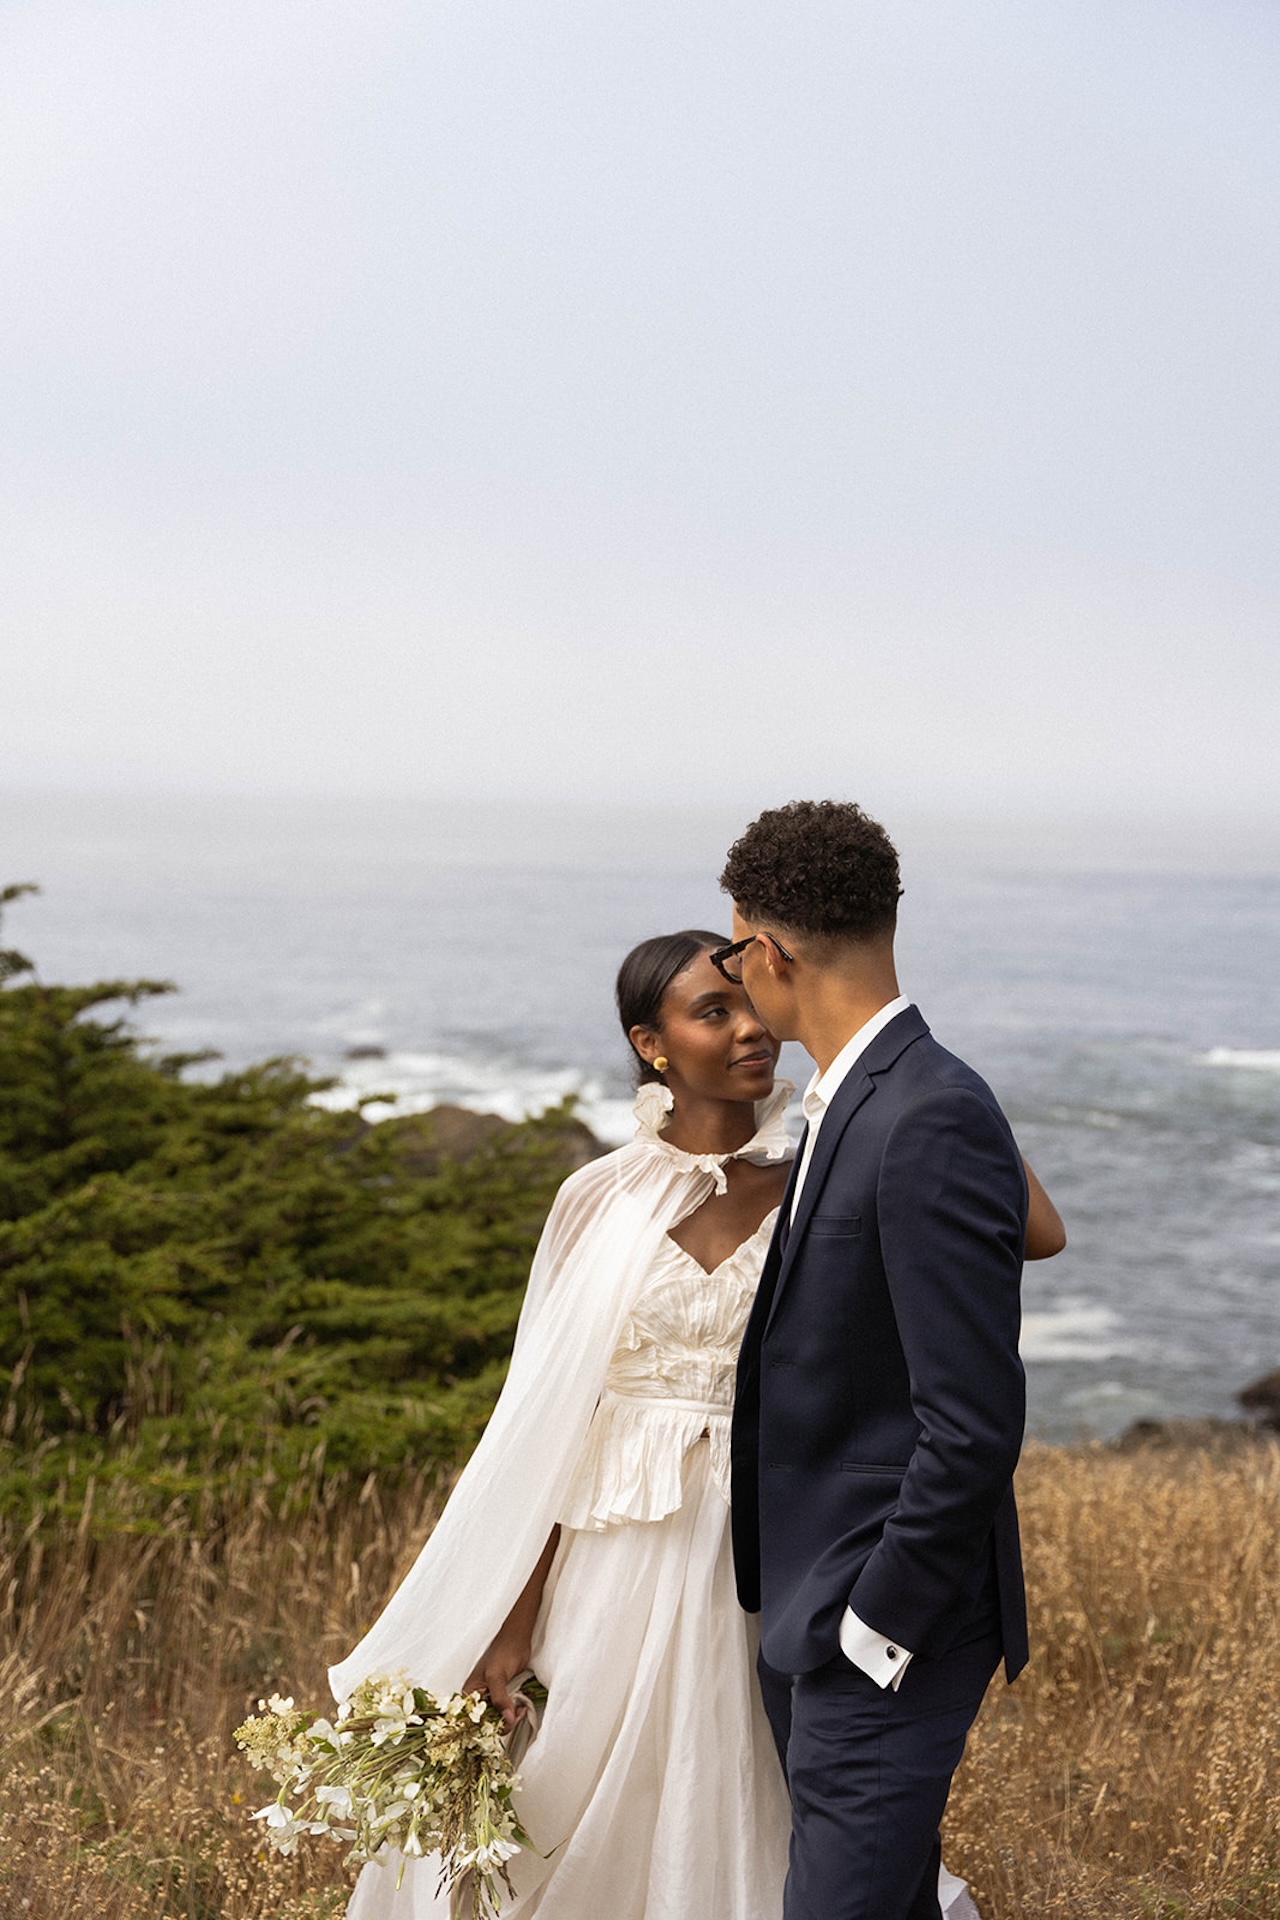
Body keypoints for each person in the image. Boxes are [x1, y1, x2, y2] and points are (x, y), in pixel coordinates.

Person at [329, 928, 1064, 1919]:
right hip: (612, 1575)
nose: (748, 1028)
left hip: (779, 1556)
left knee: (780, 1817)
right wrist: (507, 1626)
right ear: (652, 1044)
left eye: (752, 1003)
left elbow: (1033, 1229)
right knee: (574, 1821)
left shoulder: (836, 1166)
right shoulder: (593, 1203)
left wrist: (898, 1069)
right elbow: (546, 1427)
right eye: (710, 1012)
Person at [722, 800, 1045, 1920]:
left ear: (768, 952)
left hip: (877, 1625)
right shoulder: (847, 1097)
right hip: (814, 1612)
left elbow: (972, 1421)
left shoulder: (927, 1111)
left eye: (731, 947)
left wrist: (875, 1624)